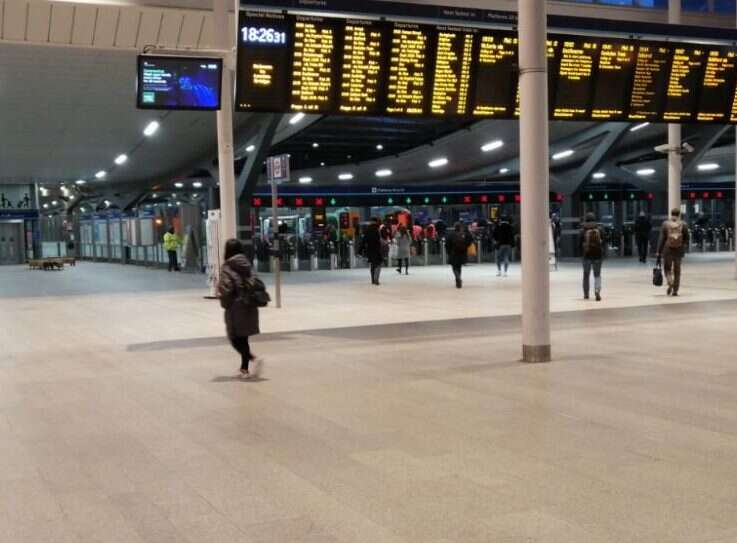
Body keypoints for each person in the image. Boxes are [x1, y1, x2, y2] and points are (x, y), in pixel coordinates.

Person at [218, 239, 263, 379]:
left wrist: (220, 293)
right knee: (244, 338)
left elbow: (227, 287)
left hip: (235, 306)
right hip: (249, 304)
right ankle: (244, 369)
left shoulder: (227, 266)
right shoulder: (248, 264)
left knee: (234, 338)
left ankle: (253, 359)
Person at [657, 208, 690, 297]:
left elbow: (662, 239)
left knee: (667, 269)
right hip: (679, 250)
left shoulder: (665, 224)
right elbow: (687, 238)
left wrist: (658, 252)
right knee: (677, 270)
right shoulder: (684, 224)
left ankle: (670, 282)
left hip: (668, 249)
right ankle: (675, 290)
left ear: (671, 214)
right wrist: (683, 245)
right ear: (679, 215)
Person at [580, 212, 605, 301]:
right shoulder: (600, 229)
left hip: (586, 256)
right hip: (598, 256)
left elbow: (579, 245)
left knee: (586, 275)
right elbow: (604, 242)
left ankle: (586, 294)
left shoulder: (583, 230)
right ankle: (597, 291)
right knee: (597, 275)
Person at [446, 222, 473, 289]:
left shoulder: (451, 234)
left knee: (454, 267)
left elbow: (447, 244)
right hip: (462, 253)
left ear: (454, 227)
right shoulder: (463, 234)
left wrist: (449, 252)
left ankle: (457, 278)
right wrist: (465, 247)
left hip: (454, 252)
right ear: (460, 227)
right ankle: (458, 279)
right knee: (459, 266)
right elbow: (469, 241)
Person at [360, 218, 384, 285]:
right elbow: (379, 239)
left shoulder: (367, 230)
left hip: (370, 250)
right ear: (376, 222)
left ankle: (372, 279)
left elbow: (364, 241)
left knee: (372, 265)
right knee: (378, 264)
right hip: (377, 249)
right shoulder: (377, 229)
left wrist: (360, 250)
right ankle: (376, 279)